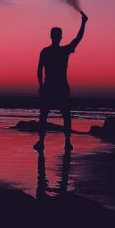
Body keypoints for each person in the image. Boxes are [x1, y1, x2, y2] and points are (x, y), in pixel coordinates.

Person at [33, 10, 88, 152]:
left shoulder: (45, 51)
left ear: (52, 36)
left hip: (50, 86)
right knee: (65, 115)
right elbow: (78, 38)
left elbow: (39, 71)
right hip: (61, 86)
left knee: (44, 115)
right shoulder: (63, 51)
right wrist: (83, 23)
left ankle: (41, 142)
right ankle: (67, 142)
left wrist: (41, 86)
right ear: (60, 37)